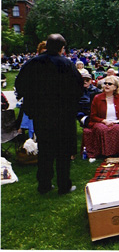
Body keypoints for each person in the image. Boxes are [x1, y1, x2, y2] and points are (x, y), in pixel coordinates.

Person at [15, 33, 83, 195]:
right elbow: (78, 88)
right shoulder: (66, 64)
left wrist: (32, 101)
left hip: (41, 115)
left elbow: (20, 84)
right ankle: (63, 185)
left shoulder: (33, 63)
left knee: (45, 150)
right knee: (63, 152)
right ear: (61, 48)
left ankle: (44, 185)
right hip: (63, 116)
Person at [87, 76, 119, 158]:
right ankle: (103, 153)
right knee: (102, 128)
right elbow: (93, 116)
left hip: (116, 122)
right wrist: (104, 121)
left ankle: (116, 152)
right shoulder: (97, 98)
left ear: (115, 87)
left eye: (109, 84)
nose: (106, 85)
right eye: (105, 83)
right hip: (100, 122)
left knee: (116, 128)